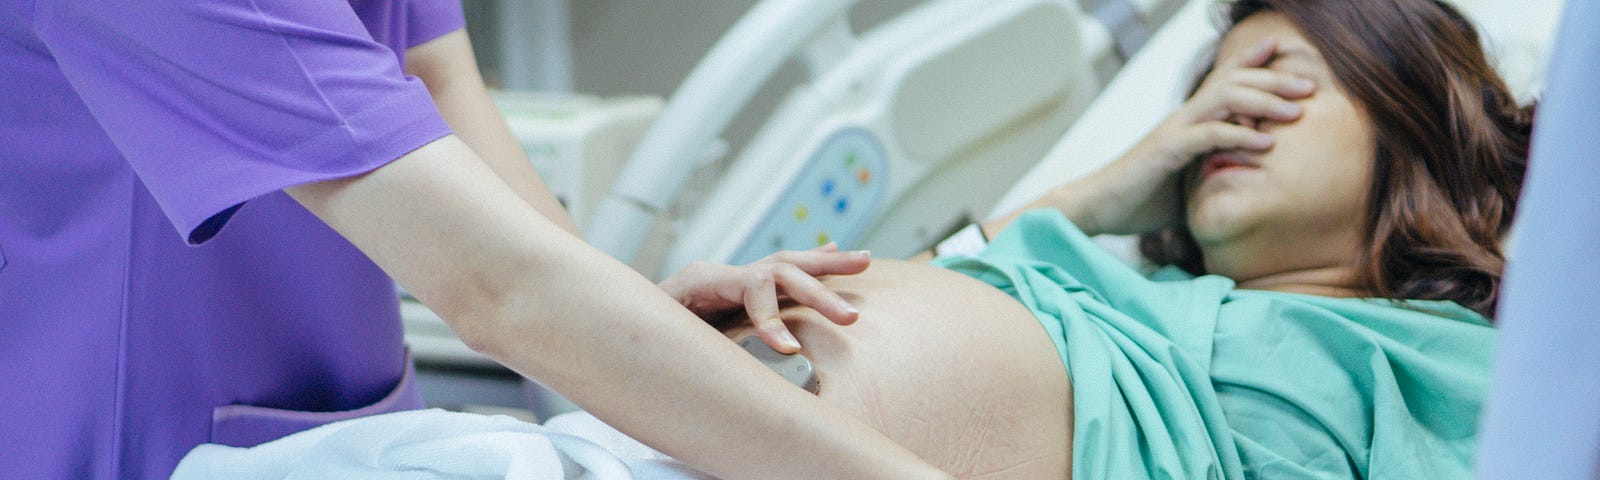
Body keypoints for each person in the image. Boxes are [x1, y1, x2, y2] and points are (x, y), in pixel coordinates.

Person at [0, 1, 950, 479]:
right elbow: (493, 288)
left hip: (348, 415)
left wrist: (620, 316)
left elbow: (430, 70)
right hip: (134, 430)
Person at [702, 0, 1532, 477]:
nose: (1229, 116)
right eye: (1210, 97)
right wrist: (1090, 198)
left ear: (1419, 123)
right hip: (667, 433)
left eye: (1281, 87)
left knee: (571, 284)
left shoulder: (1458, 373)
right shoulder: (1100, 277)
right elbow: (916, 296)